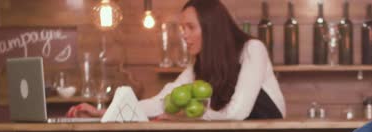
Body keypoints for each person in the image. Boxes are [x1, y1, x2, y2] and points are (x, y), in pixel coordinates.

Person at [67, 0, 285, 121]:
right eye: (182, 28)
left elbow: (238, 113)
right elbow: (162, 101)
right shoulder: (199, 65)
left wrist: (187, 118)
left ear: (212, 30)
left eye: (190, 27)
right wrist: (106, 112)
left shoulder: (252, 50)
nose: (183, 34)